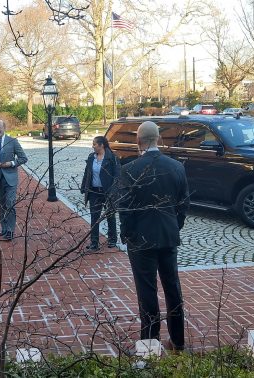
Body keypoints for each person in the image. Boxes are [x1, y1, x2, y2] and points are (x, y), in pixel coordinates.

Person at [116, 121, 190, 351]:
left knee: (146, 291)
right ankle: (178, 340)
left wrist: (127, 234)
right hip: (168, 235)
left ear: (138, 141)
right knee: (172, 287)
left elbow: (125, 209)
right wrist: (174, 226)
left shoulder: (130, 169)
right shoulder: (176, 167)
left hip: (141, 239)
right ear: (158, 139)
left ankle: (149, 344)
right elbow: (183, 203)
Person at [80, 136, 119, 251]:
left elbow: (117, 176)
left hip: (108, 192)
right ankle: (94, 243)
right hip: (94, 192)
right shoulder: (91, 157)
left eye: (95, 144)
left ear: (102, 145)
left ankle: (112, 240)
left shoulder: (112, 158)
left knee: (110, 215)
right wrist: (84, 187)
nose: (93, 146)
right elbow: (87, 173)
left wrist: (113, 191)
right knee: (94, 217)